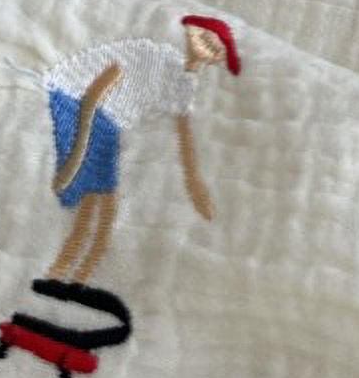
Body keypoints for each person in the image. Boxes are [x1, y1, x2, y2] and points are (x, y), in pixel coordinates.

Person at [41, 16, 240, 284]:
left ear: (217, 59)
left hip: (108, 119)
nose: (212, 45)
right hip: (76, 97)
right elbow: (105, 80)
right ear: (192, 28)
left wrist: (196, 188)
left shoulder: (185, 84)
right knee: (94, 200)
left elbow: (184, 135)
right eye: (207, 36)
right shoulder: (157, 56)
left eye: (218, 49)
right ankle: (60, 275)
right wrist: (77, 151)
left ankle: (76, 280)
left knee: (106, 206)